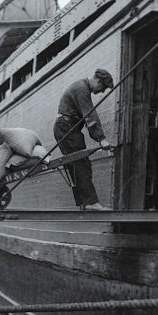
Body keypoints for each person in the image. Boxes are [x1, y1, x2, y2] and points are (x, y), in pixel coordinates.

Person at [53, 69, 114, 210]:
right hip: (67, 128)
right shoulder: (82, 90)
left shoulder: (80, 86)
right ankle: (91, 202)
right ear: (98, 81)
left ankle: (84, 203)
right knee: (81, 164)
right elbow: (90, 117)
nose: (102, 92)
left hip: (65, 128)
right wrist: (102, 139)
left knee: (76, 165)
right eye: (103, 88)